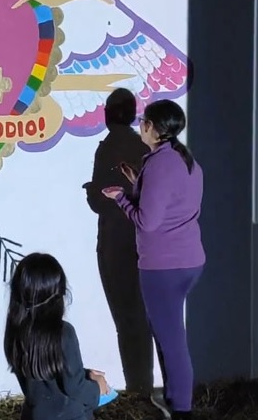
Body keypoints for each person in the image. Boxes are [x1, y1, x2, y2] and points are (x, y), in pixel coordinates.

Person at [102, 99, 205, 420]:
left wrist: (120, 197)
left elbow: (147, 221)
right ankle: (175, 400)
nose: (139, 126)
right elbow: (170, 203)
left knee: (171, 341)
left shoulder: (161, 164)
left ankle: (183, 410)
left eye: (143, 122)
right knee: (167, 333)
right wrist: (138, 183)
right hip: (187, 261)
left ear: (154, 128)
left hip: (164, 266)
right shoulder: (181, 159)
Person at [83, 88, 154, 396]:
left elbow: (100, 202)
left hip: (115, 243)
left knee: (126, 319)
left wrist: (92, 191)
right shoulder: (145, 148)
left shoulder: (108, 148)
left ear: (109, 115)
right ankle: (145, 385)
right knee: (142, 318)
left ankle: (138, 386)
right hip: (144, 243)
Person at [4, 253, 110, 420]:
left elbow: (44, 373)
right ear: (59, 294)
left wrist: (85, 372)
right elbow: (75, 387)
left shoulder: (16, 332)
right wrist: (98, 387)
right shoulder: (64, 333)